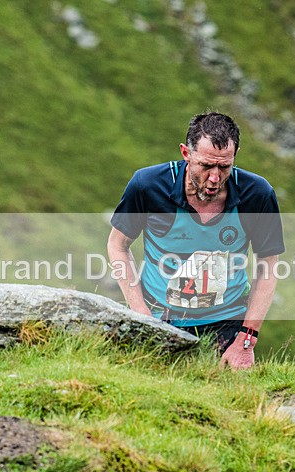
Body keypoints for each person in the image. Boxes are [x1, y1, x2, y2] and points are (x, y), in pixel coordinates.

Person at [107, 112, 284, 369]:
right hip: (159, 318)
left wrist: (246, 341)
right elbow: (117, 245)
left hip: (227, 322)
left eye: (224, 167)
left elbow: (268, 264)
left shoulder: (257, 194)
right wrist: (140, 313)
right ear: (186, 154)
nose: (214, 178)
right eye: (206, 165)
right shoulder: (148, 186)